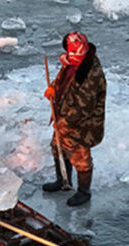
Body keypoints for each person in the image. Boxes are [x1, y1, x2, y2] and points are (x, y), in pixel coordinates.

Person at [42, 31, 106, 207]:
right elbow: (64, 76)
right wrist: (54, 88)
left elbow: (83, 107)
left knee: (80, 157)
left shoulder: (90, 75)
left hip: (82, 126)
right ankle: (63, 180)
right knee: (57, 147)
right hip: (63, 114)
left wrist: (64, 123)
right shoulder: (74, 61)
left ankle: (84, 191)